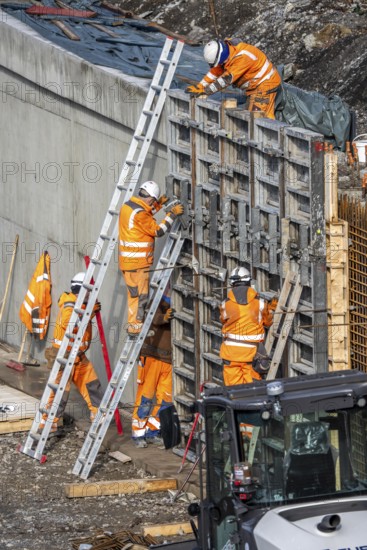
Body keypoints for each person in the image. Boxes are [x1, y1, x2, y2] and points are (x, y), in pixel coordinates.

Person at [40, 272, 104, 433]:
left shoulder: (80, 305)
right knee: (59, 392)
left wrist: (90, 311)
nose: (92, 294)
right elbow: (70, 323)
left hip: (78, 355)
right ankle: (48, 422)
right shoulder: (70, 304)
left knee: (92, 385)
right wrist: (89, 314)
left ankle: (97, 414)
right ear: (81, 290)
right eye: (90, 290)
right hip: (64, 356)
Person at [119, 180, 183, 335]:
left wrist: (159, 204)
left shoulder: (129, 206)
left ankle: (133, 325)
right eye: (154, 201)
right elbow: (158, 231)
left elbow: (145, 214)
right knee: (141, 297)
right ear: (150, 199)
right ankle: (136, 327)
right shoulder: (140, 214)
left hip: (129, 263)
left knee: (134, 296)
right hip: (137, 264)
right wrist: (172, 214)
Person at [186, 38, 281, 119]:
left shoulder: (242, 57)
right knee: (250, 116)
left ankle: (270, 139)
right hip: (255, 86)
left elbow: (225, 80)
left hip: (265, 85)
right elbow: (215, 71)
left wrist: (206, 91)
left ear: (222, 57)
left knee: (258, 118)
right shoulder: (228, 51)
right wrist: (200, 86)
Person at [219, 266, 277, 386]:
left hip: (231, 354)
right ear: (249, 282)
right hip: (252, 355)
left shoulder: (225, 304)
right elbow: (268, 322)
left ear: (232, 283)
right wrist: (271, 308)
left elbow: (223, 321)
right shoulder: (260, 303)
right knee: (252, 392)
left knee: (233, 391)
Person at [132, 294, 174, 448]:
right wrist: (165, 317)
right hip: (151, 356)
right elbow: (154, 318)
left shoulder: (177, 303)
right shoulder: (157, 301)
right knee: (146, 398)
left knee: (165, 399)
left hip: (168, 360)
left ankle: (153, 431)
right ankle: (138, 434)